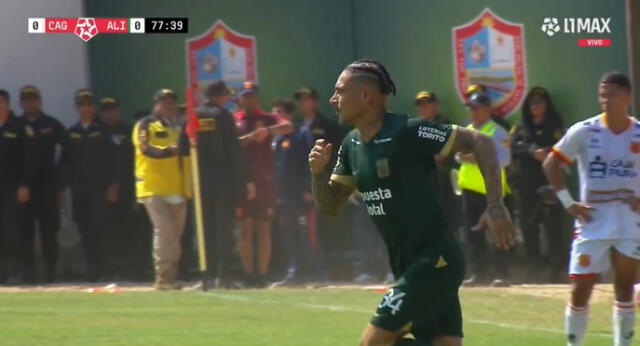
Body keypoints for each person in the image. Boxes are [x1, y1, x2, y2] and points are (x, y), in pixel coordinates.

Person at [309, 59, 515, 346]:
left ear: (366, 96)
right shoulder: (350, 146)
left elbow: (481, 142)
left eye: (340, 91)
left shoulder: (407, 131)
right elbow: (330, 207)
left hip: (436, 260)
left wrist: (495, 206)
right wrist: (318, 174)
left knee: (372, 344)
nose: (333, 99)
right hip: (407, 266)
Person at [543, 72, 640, 346]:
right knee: (580, 290)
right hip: (592, 222)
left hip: (629, 223)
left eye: (612, 94)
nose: (606, 100)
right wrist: (568, 202)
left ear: (627, 96)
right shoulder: (585, 131)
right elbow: (551, 163)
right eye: (602, 95)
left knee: (624, 290)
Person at [191, 81, 254, 287]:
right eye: (225, 96)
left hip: (201, 179)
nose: (227, 99)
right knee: (224, 229)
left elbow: (185, 148)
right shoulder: (224, 116)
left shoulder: (194, 116)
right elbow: (234, 152)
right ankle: (223, 276)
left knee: (205, 229)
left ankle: (206, 276)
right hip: (223, 179)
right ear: (218, 96)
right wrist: (245, 179)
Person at [234, 81, 293, 287]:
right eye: (246, 96)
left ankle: (262, 275)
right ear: (240, 99)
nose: (249, 99)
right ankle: (248, 274)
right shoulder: (236, 120)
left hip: (265, 182)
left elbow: (288, 126)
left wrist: (267, 130)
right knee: (246, 229)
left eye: (253, 96)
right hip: (242, 182)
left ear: (258, 98)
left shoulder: (267, 118)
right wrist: (248, 137)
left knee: (264, 228)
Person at [133, 89, 191, 290]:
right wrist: (168, 151)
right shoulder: (146, 124)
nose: (169, 106)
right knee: (164, 232)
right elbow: (145, 149)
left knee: (175, 236)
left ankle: (172, 277)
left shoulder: (178, 126)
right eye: (165, 102)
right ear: (156, 104)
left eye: (172, 102)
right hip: (154, 187)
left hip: (177, 187)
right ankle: (163, 278)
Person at [60, 90, 118, 282]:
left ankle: (107, 268)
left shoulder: (104, 130)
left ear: (93, 107)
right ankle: (92, 268)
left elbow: (114, 160)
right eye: (82, 105)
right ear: (77, 108)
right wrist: (61, 187)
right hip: (80, 191)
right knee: (85, 229)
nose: (86, 108)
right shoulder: (72, 132)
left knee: (102, 228)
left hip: (100, 190)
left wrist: (113, 184)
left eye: (89, 104)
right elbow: (65, 162)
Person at [511, 87, 567, 283]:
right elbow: (514, 147)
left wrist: (549, 152)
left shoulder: (555, 124)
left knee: (553, 228)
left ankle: (555, 271)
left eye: (540, 101)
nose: (536, 105)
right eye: (532, 102)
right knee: (528, 228)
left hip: (549, 183)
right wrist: (531, 151)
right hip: (526, 185)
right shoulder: (521, 126)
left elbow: (564, 146)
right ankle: (533, 270)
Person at [457, 92, 512, 288]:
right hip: (469, 190)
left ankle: (502, 275)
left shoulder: (497, 132)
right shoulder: (467, 130)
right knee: (473, 234)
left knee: (498, 231)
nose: (472, 111)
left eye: (476, 107)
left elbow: (505, 160)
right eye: (470, 108)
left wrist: (476, 157)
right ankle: (477, 273)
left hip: (491, 193)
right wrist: (469, 156)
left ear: (487, 109)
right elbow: (458, 156)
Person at [18, 85, 65, 283]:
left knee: (49, 231)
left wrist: (60, 181)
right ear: (21, 103)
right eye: (26, 100)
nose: (30, 103)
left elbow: (68, 150)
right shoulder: (16, 125)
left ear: (40, 101)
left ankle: (50, 274)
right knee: (24, 232)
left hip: (48, 187)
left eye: (34, 99)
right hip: (23, 188)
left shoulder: (52, 124)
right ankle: (28, 275)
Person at [294, 86, 340, 282]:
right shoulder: (295, 127)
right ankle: (306, 271)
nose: (303, 103)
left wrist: (314, 185)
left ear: (316, 102)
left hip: (322, 186)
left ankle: (325, 272)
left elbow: (333, 158)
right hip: (298, 190)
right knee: (302, 232)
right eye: (300, 100)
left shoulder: (327, 126)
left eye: (307, 99)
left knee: (321, 231)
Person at [0, 90, 37, 284]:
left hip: (13, 187)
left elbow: (29, 159)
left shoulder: (20, 127)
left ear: (8, 104)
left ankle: (20, 272)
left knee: (14, 230)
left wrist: (24, 184)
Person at [98, 97, 135, 279]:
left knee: (127, 229)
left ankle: (128, 269)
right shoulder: (96, 131)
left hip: (125, 188)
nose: (110, 113)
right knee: (105, 231)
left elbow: (128, 161)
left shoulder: (128, 131)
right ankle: (108, 269)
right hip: (100, 190)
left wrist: (117, 184)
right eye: (106, 110)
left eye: (113, 109)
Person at [415, 91, 461, 236]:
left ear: (436, 105)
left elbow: (441, 154)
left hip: (442, 179)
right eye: (420, 105)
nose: (423, 108)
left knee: (447, 218)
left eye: (427, 104)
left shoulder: (445, 125)